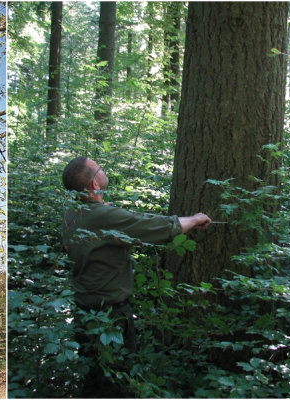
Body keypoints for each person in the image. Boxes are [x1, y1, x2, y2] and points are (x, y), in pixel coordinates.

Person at [61, 156, 211, 397]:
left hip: (83, 311)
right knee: (117, 383)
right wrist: (193, 220)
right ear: (94, 186)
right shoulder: (104, 217)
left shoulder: (73, 212)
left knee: (93, 376)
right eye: (99, 168)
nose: (103, 168)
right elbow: (151, 226)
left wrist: (103, 208)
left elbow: (102, 218)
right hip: (110, 315)